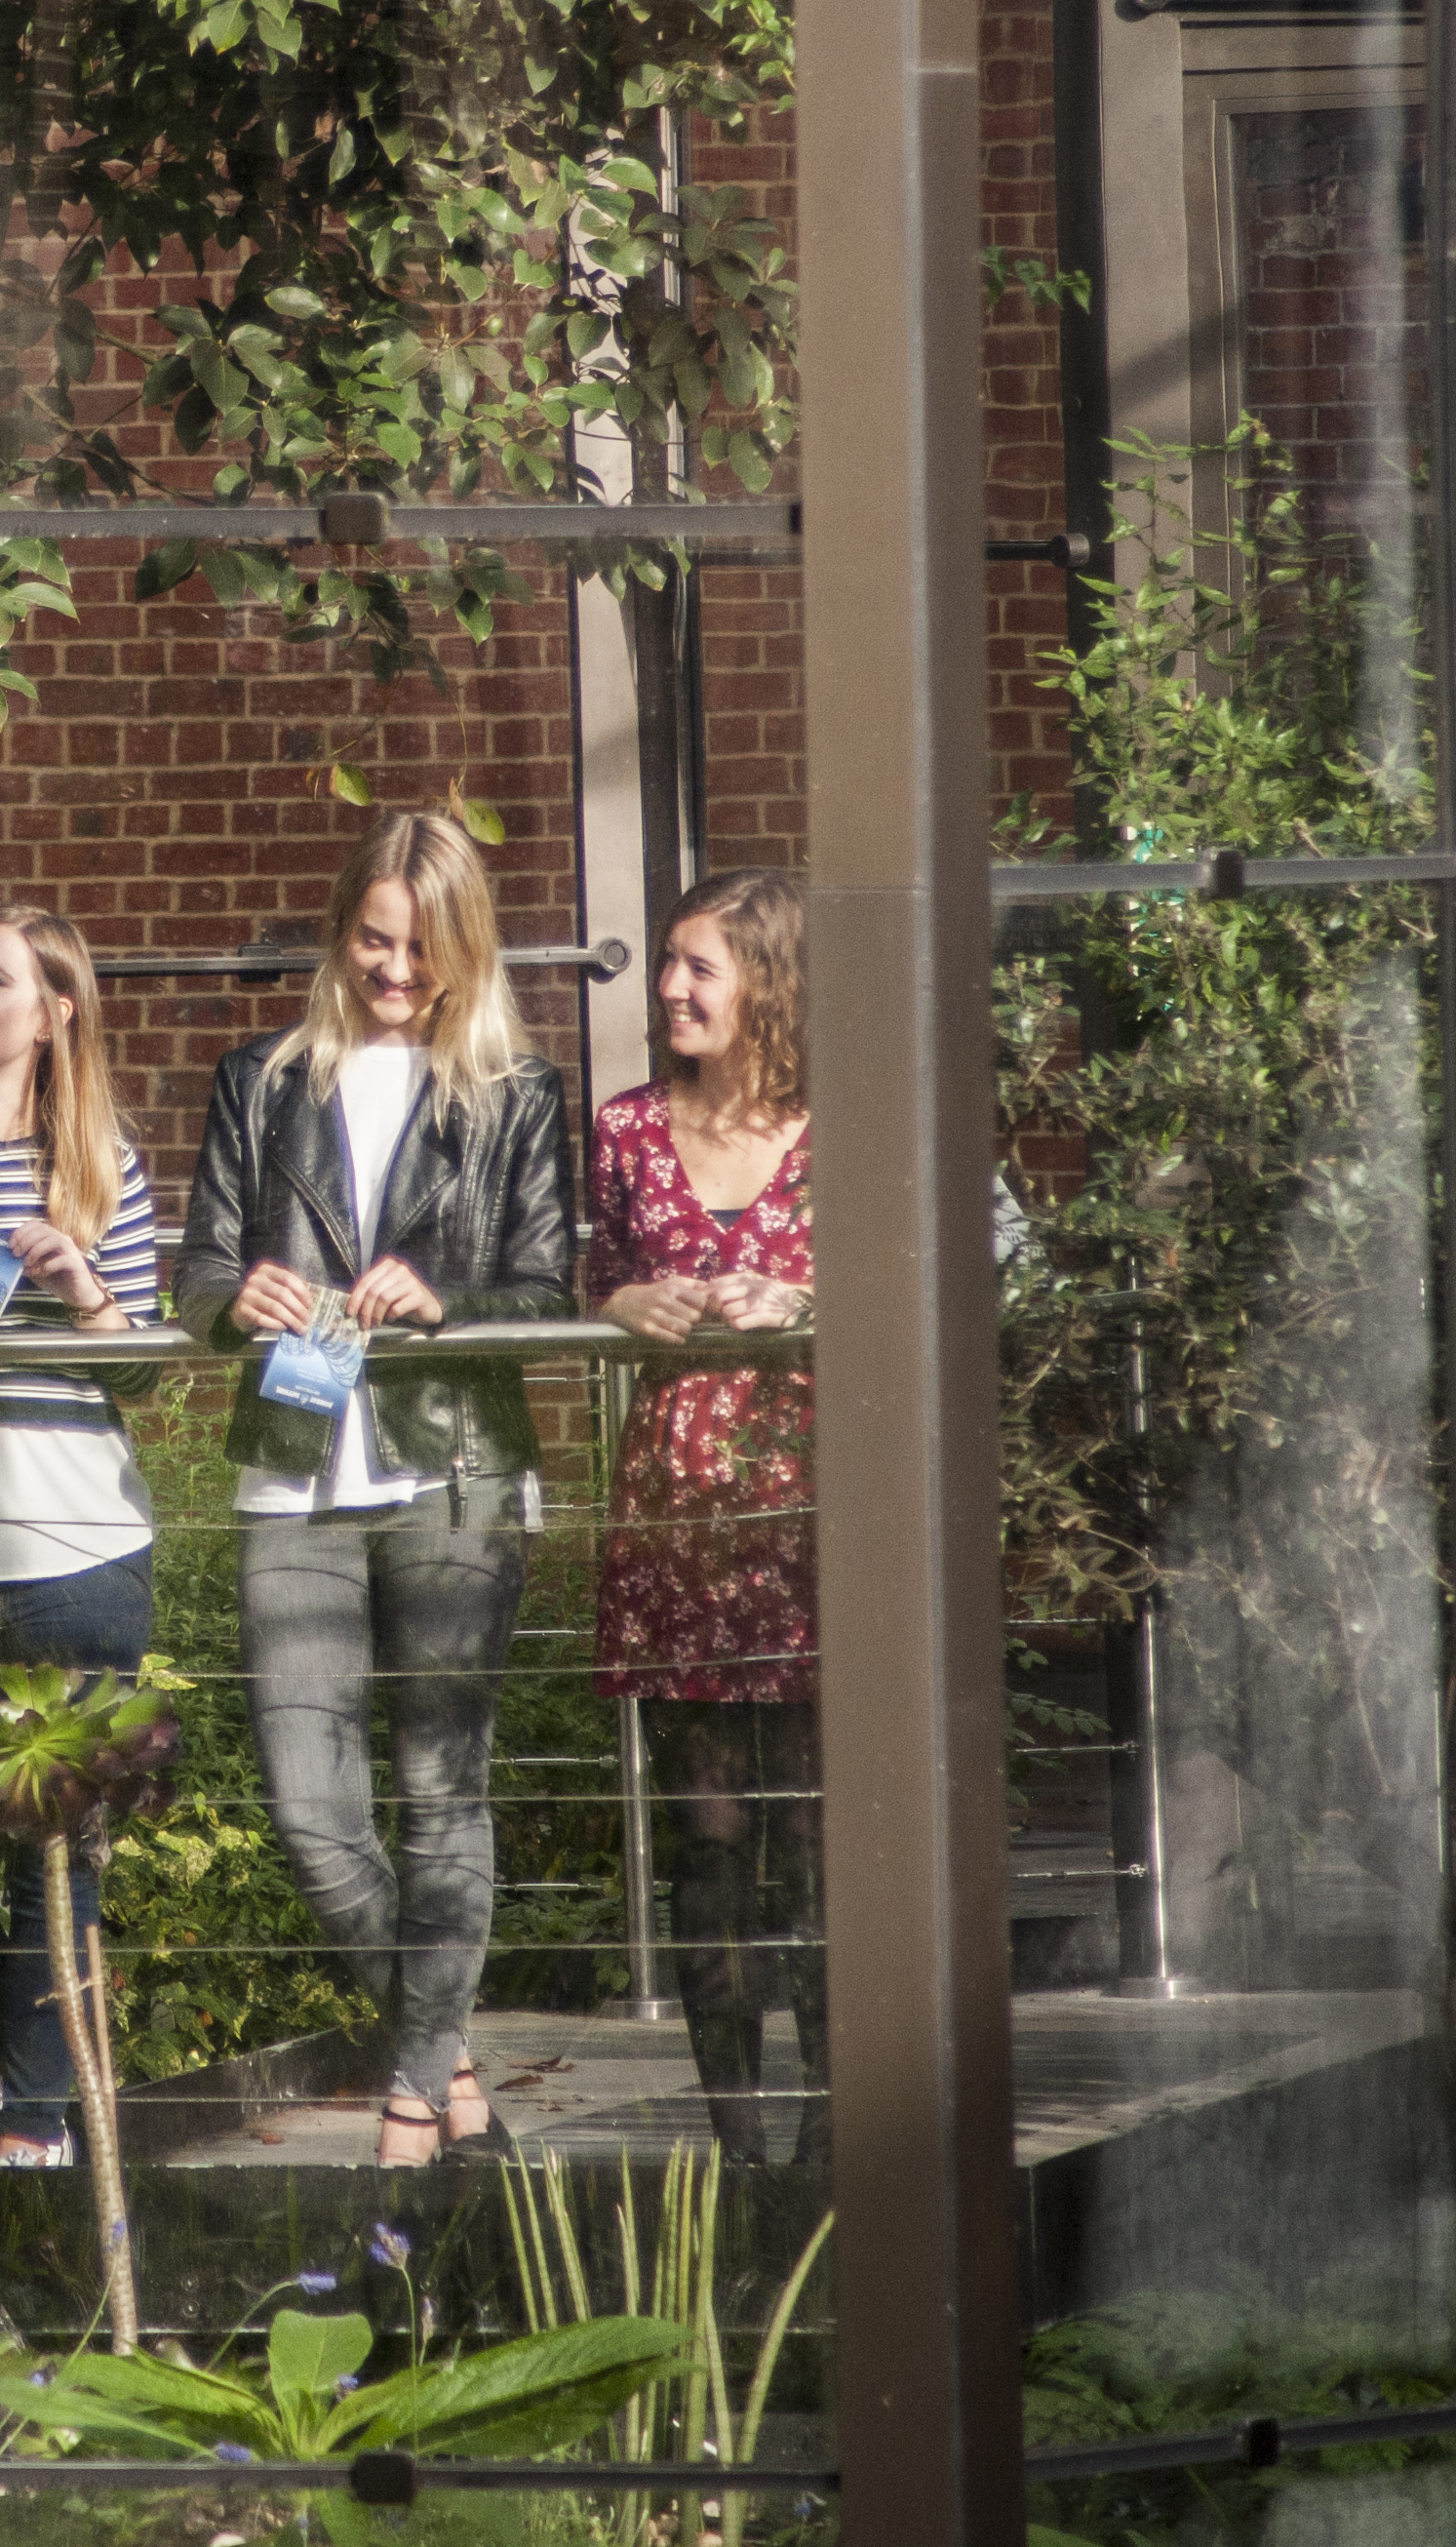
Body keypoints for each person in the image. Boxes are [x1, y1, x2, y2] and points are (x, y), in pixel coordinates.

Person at [172, 805, 578, 2172]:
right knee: (308, 1809)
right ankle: (449, 2065)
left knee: (438, 1785)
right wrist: (239, 1296)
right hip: (292, 1473)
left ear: (465, 948)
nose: (393, 969)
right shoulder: (259, 1079)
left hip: (451, 1468)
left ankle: (413, 2114)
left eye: (421, 945)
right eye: (371, 938)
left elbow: (545, 1283)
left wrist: (445, 1297)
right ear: (341, 932)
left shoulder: (517, 1095)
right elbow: (196, 1269)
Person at [0, 905, 169, 2168]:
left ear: (52, 1013)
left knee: (58, 1858)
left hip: (76, 1555)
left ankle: (35, 2117)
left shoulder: (97, 1163)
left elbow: (146, 1383)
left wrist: (84, 1293)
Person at [584, 866, 823, 2163]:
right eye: (669, 965)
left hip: (813, 1518)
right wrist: (619, 1302)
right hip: (677, 1524)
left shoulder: (847, 1123)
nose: (670, 989)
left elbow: (968, 1252)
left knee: (821, 1839)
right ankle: (742, 2149)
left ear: (768, 984)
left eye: (698, 967)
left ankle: (846, 2150)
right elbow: (594, 1269)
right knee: (712, 1844)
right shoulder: (626, 1129)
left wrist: (812, 1301)